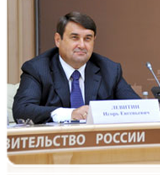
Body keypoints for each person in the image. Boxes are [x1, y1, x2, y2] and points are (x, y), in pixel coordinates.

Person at [13, 11, 141, 124]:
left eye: (87, 39)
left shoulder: (109, 70)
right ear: (58, 40)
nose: (82, 45)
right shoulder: (38, 69)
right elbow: (22, 110)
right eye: (74, 38)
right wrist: (70, 114)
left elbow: (137, 109)